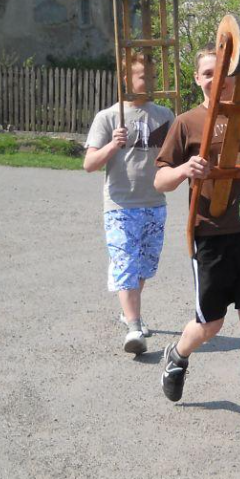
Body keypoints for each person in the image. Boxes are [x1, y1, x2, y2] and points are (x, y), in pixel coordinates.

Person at [154, 44, 240, 442]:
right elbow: (160, 179)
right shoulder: (187, 123)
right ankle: (178, 354)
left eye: (224, 72)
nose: (216, 79)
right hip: (208, 235)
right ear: (198, 79)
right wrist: (186, 168)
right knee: (211, 324)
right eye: (208, 73)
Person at [84, 53, 175, 355]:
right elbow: (89, 164)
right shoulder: (109, 117)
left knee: (143, 268)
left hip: (154, 203)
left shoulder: (165, 115)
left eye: (151, 76)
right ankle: (134, 327)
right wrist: (113, 144)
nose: (147, 82)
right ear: (126, 79)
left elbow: (175, 156)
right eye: (140, 77)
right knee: (125, 265)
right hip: (120, 205)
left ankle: (128, 312)